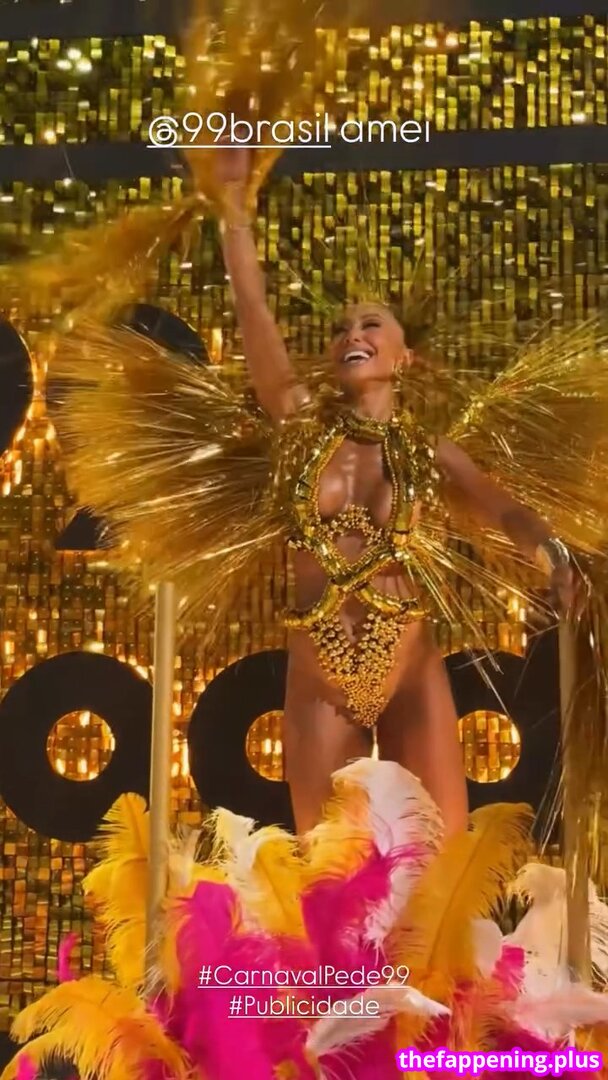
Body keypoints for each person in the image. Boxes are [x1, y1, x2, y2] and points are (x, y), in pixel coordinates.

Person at [216, 144, 575, 836]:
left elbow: (503, 509)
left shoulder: (429, 451)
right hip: (320, 678)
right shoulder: (301, 428)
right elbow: (253, 309)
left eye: (370, 324)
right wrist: (233, 209)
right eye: (341, 329)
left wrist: (552, 555)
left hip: (410, 670)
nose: (352, 334)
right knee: (331, 876)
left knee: (437, 869)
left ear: (405, 356)